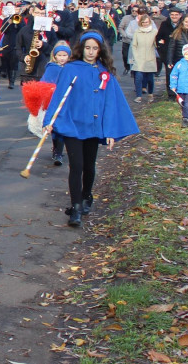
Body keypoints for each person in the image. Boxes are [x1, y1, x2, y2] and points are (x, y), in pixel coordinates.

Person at [43, 32, 139, 227]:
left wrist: (110, 130)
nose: (91, 52)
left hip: (93, 127)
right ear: (81, 48)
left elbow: (112, 103)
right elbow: (59, 96)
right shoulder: (70, 69)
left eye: (95, 48)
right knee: (76, 166)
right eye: (87, 48)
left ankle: (87, 196)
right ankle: (76, 207)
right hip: (73, 124)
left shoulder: (105, 72)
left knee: (89, 166)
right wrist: (49, 119)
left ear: (100, 50)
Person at [39, 42, 71, 165]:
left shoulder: (70, 68)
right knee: (54, 126)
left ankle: (59, 150)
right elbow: (44, 83)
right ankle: (57, 151)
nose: (62, 58)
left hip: (67, 102)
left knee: (63, 126)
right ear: (55, 56)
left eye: (64, 55)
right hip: (54, 101)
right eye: (59, 55)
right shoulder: (52, 67)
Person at [126, 11, 157, 102]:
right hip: (139, 58)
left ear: (149, 22)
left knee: (150, 78)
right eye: (143, 22)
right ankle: (139, 95)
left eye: (146, 22)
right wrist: (135, 56)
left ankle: (150, 94)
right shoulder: (137, 32)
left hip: (150, 57)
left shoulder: (154, 32)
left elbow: (156, 45)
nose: (145, 24)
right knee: (138, 77)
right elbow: (134, 45)